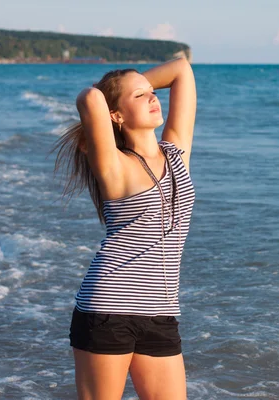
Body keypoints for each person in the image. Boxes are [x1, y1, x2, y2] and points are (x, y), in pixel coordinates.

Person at [51, 57, 196, 399]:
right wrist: (113, 91)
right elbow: (89, 99)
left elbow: (181, 69)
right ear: (115, 115)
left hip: (161, 313)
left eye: (152, 92)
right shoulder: (114, 166)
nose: (152, 97)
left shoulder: (176, 152)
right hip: (107, 310)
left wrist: (131, 88)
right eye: (139, 96)